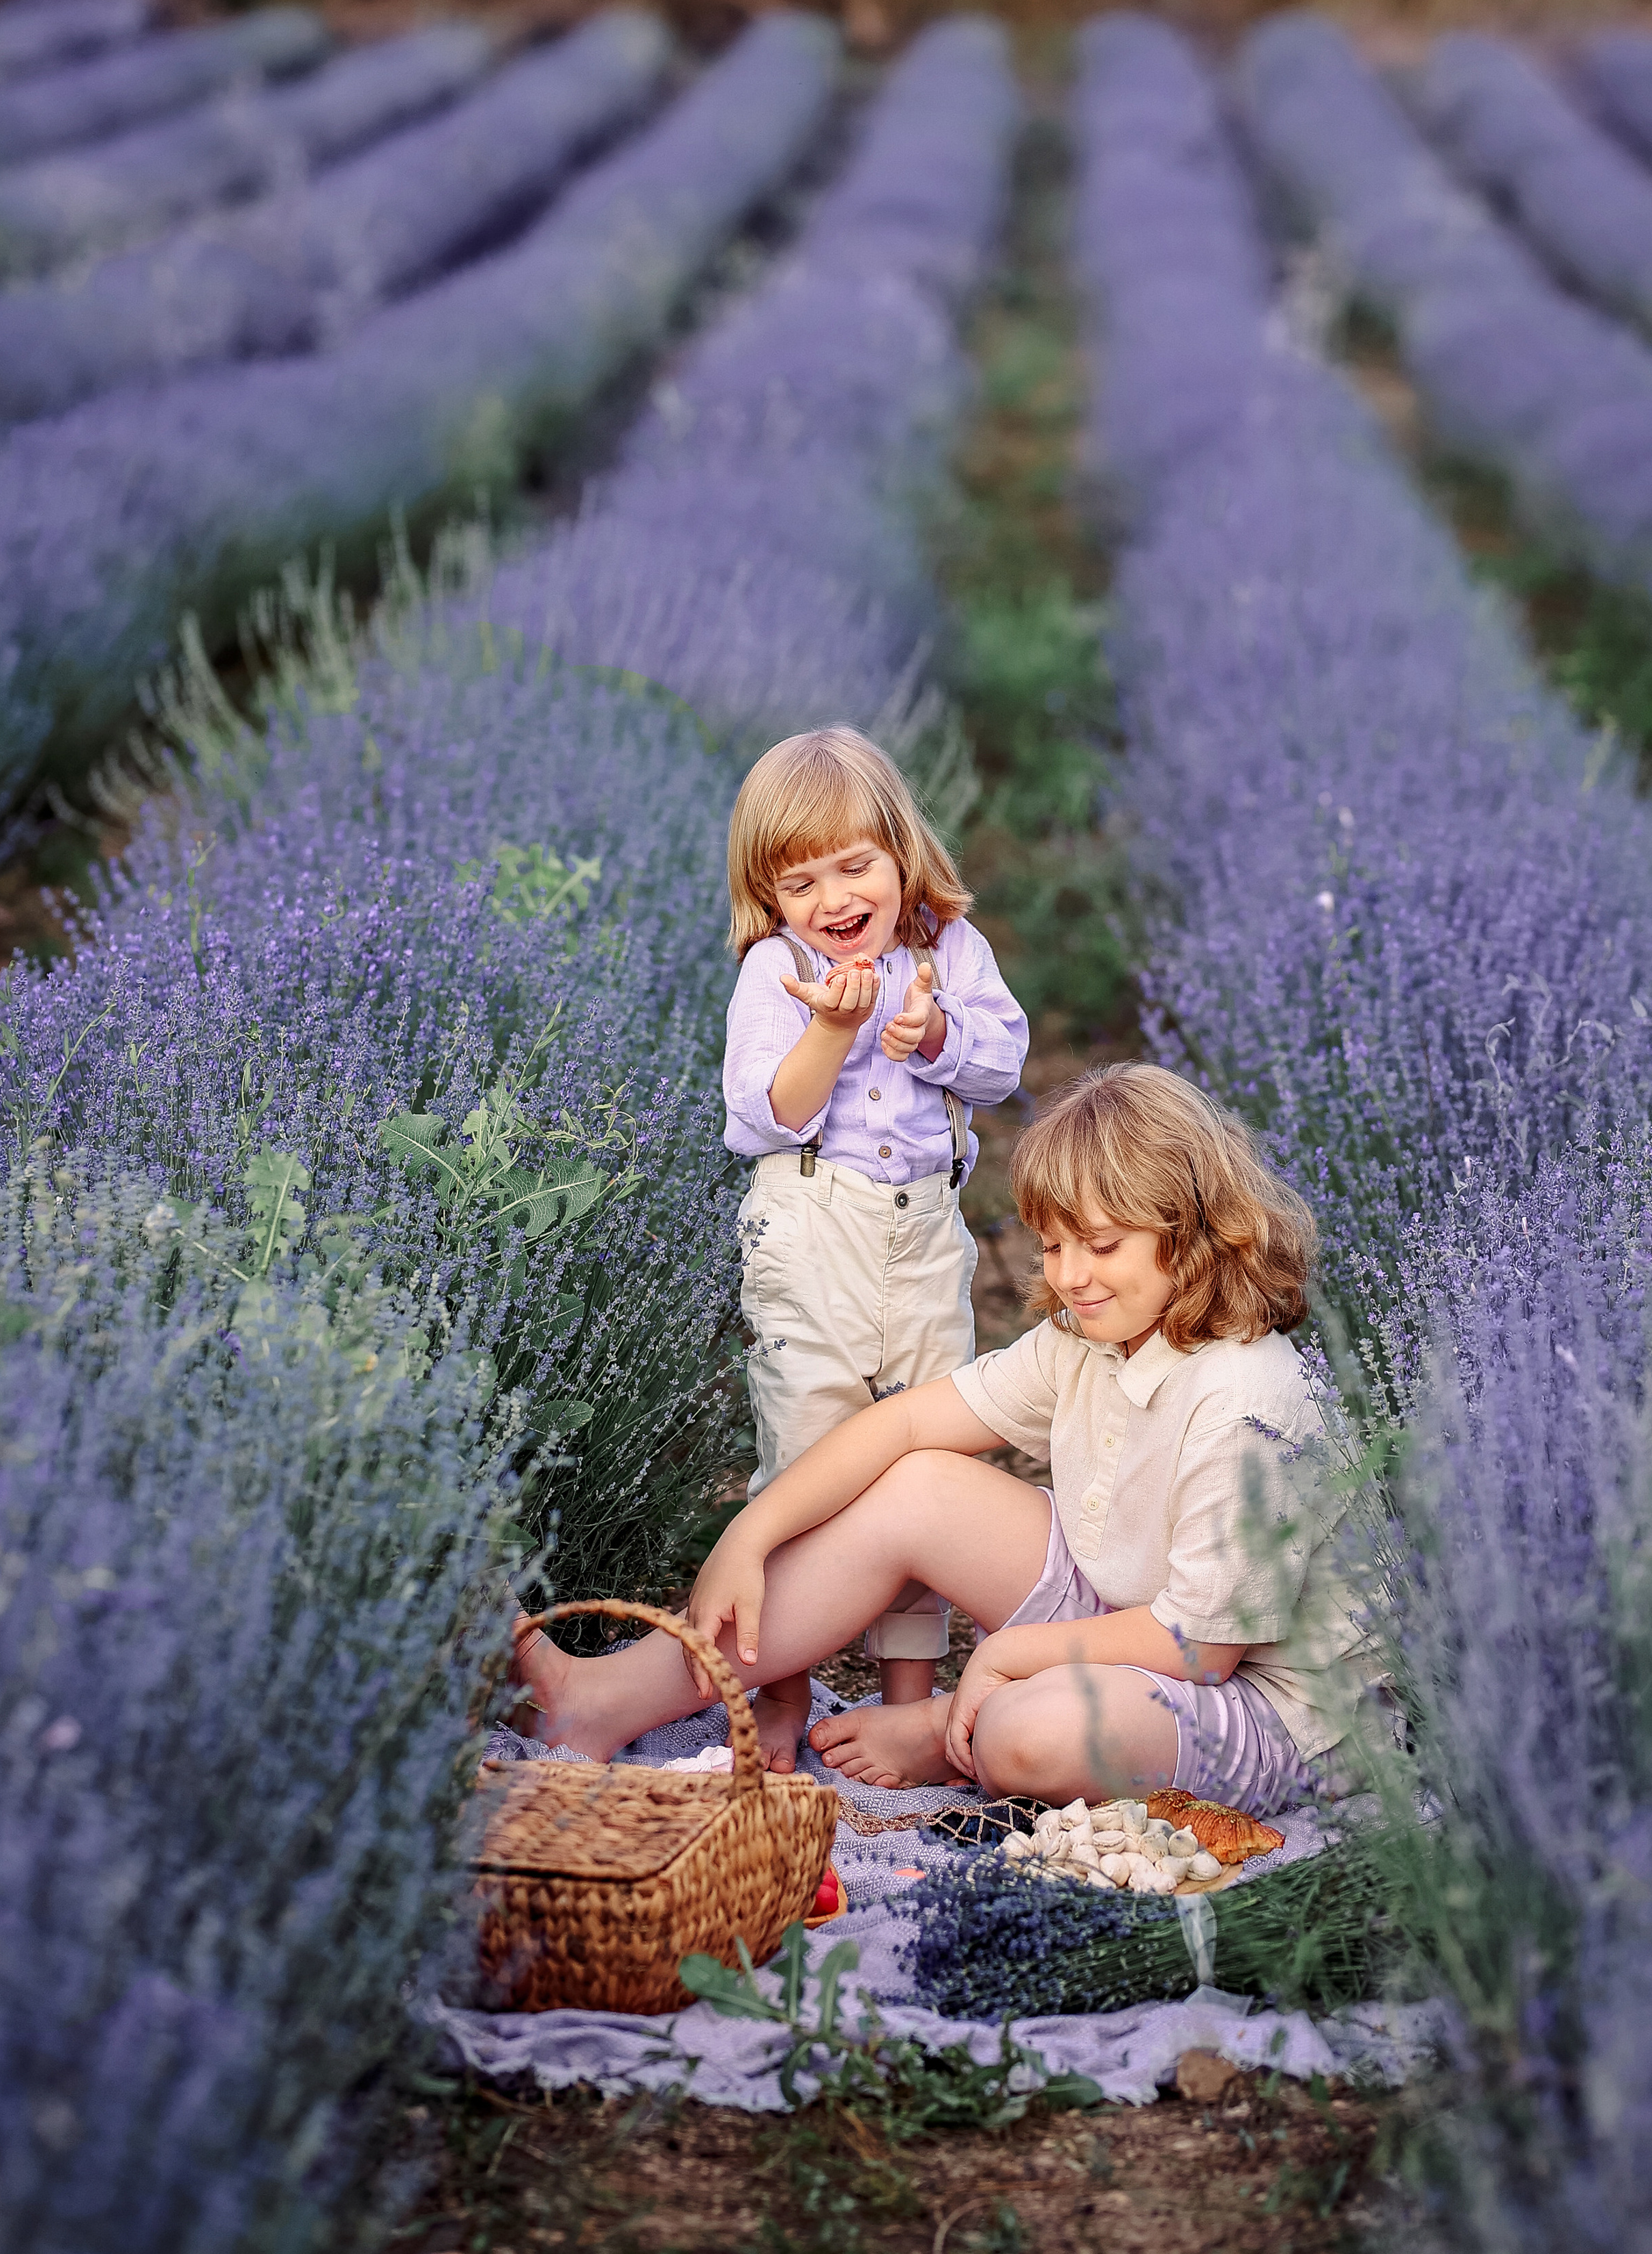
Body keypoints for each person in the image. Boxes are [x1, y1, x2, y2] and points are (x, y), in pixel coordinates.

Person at [512, 1063, 1378, 1811]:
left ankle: (944, 1730)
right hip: (1135, 1614)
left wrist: (1004, 1657)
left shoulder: (1244, 1402)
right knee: (918, 1482)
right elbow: (909, 1421)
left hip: (1271, 1708)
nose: (1070, 1277)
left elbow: (1205, 1649)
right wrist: (750, 1531)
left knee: (1025, 1735)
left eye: (1103, 1245)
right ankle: (603, 1700)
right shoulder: (1096, 1335)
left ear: (1193, 1235)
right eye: (1051, 1246)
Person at [718, 725, 1028, 1770]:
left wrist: (933, 1038)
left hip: (923, 1235)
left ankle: (909, 1690)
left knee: (925, 1447)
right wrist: (833, 1033)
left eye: (855, 866)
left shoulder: (951, 952)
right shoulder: (779, 970)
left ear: (902, 856)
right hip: (812, 1234)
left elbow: (1001, 1066)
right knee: (808, 1447)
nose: (833, 898)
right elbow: (767, 1116)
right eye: (800, 882)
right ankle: (776, 1685)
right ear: (768, 896)